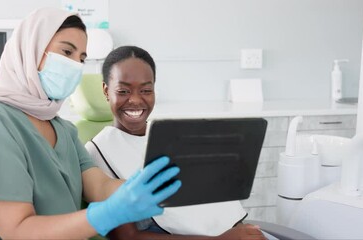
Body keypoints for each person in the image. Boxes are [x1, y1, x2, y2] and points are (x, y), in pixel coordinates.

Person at [0, 8, 182, 239]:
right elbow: (18, 231)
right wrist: (105, 215)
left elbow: (100, 186)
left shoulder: (62, 129)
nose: (74, 65)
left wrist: (143, 187)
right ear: (30, 50)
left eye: (82, 58)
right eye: (66, 52)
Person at [85, 46, 267, 240]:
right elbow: (128, 237)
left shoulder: (171, 136)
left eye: (146, 90)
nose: (136, 100)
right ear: (106, 91)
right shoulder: (98, 152)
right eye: (123, 91)